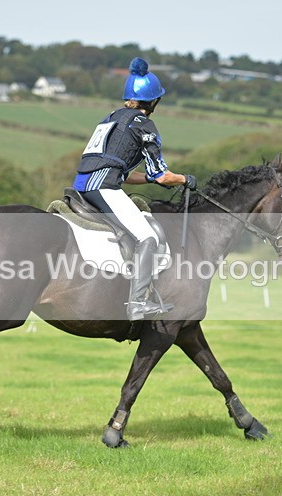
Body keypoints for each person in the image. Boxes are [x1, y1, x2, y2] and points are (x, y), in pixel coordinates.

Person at [73, 57, 196, 321]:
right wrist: (185, 179)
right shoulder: (143, 125)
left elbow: (125, 175)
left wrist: (149, 179)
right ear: (153, 102)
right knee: (147, 237)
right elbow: (163, 176)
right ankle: (138, 303)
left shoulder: (111, 118)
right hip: (104, 187)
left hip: (83, 185)